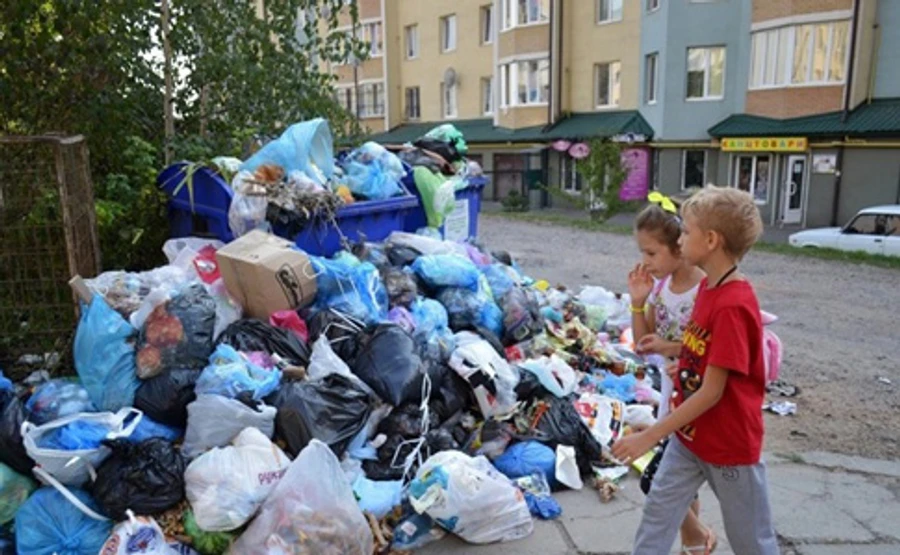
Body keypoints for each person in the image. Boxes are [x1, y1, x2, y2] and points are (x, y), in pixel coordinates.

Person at [613, 185, 779, 555]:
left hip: (728, 446)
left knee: (751, 539)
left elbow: (712, 391)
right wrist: (674, 359)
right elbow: (699, 355)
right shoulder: (709, 289)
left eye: (686, 232)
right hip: (688, 439)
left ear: (711, 240)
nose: (681, 237)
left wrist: (651, 435)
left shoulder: (734, 303)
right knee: (658, 511)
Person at [627, 194, 712, 553]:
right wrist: (638, 300)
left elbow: (716, 348)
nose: (645, 261)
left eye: (651, 253)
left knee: (657, 480)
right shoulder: (661, 288)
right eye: (643, 253)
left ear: (679, 247)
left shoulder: (705, 289)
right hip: (670, 393)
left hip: (697, 398)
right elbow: (644, 343)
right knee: (681, 484)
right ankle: (691, 545)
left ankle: (698, 536)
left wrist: (673, 348)